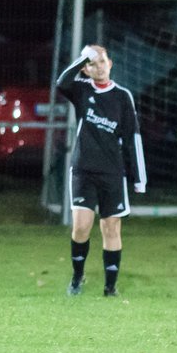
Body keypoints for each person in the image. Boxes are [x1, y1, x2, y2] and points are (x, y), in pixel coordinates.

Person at [56, 44, 147, 297]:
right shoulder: (82, 90)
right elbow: (61, 83)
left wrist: (139, 178)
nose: (99, 67)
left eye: (102, 61)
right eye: (93, 64)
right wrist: (83, 57)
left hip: (112, 173)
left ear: (111, 63)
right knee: (81, 227)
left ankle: (110, 287)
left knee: (111, 228)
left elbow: (132, 137)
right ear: (86, 69)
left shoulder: (122, 96)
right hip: (83, 170)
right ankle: (77, 277)